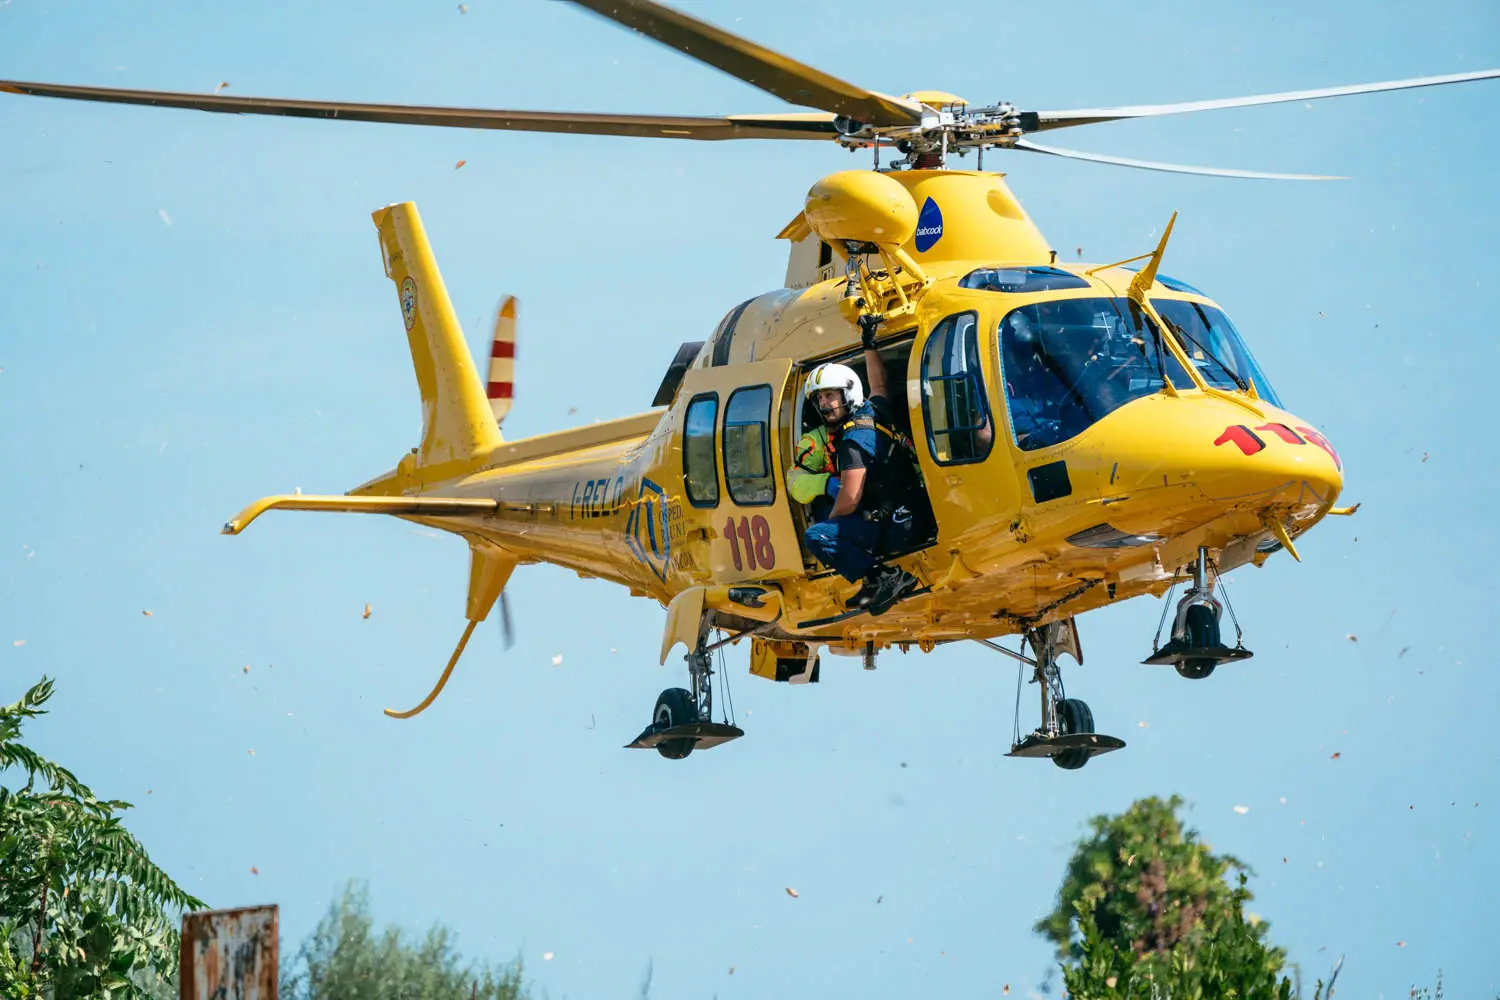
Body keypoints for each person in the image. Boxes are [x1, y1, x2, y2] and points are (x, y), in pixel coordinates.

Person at [802, 316, 924, 614]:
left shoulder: (852, 441)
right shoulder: (875, 411)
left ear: (847, 393)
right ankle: (873, 582)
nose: (825, 404)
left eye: (830, 395)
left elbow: (849, 498)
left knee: (817, 534)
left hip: (900, 525)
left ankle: (885, 578)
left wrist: (831, 529)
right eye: (820, 398)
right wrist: (869, 343)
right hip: (915, 508)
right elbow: (879, 383)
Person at [787, 421, 840, 523]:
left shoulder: (863, 429)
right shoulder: (814, 439)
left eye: (831, 403)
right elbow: (794, 481)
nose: (825, 404)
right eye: (821, 403)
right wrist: (826, 483)